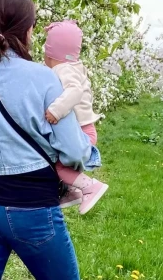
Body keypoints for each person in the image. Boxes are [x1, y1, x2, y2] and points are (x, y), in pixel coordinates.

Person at [0, 0, 92, 280]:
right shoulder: (44, 77)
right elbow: (72, 151)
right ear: (29, 29)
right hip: (32, 208)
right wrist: (88, 147)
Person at [43, 20, 109, 215]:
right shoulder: (73, 67)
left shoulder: (62, 69)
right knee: (61, 164)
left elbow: (75, 91)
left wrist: (56, 110)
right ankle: (71, 191)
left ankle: (90, 187)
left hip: (81, 132)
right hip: (85, 129)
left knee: (59, 166)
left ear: (50, 53)